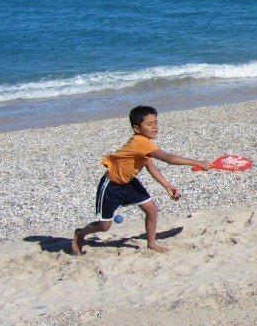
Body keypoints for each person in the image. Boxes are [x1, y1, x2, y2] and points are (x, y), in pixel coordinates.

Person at [71, 105, 211, 255]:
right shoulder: (140, 143)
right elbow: (168, 159)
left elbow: (151, 167)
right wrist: (198, 163)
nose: (155, 127)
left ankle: (151, 243)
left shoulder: (145, 144)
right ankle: (81, 233)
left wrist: (167, 186)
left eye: (156, 123)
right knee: (104, 226)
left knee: (152, 210)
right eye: (149, 124)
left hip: (130, 183)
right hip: (111, 186)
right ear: (137, 128)